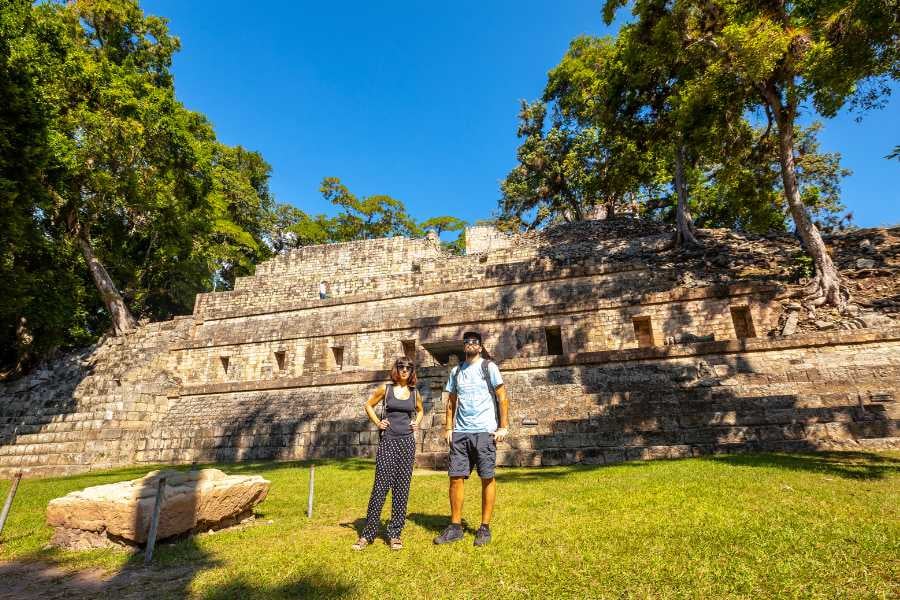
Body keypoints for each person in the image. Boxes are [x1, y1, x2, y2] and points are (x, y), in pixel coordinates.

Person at [433, 331, 509, 547]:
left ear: (480, 346)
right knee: (455, 477)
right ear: (463, 346)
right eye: (467, 342)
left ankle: (484, 528)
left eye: (475, 342)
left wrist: (503, 427)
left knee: (487, 477)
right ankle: (455, 526)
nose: (471, 344)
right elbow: (450, 402)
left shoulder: (489, 367)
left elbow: (502, 397)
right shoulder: (456, 371)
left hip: (485, 431)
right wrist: (448, 428)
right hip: (461, 433)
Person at [352, 357, 424, 551]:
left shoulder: (414, 392)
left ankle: (395, 534)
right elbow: (368, 405)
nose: (405, 370)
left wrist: (416, 421)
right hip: (388, 441)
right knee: (380, 487)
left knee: (402, 488)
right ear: (396, 369)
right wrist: (378, 422)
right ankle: (367, 534)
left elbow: (420, 410)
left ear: (412, 371)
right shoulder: (386, 389)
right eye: (401, 366)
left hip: (407, 443)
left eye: (409, 367)